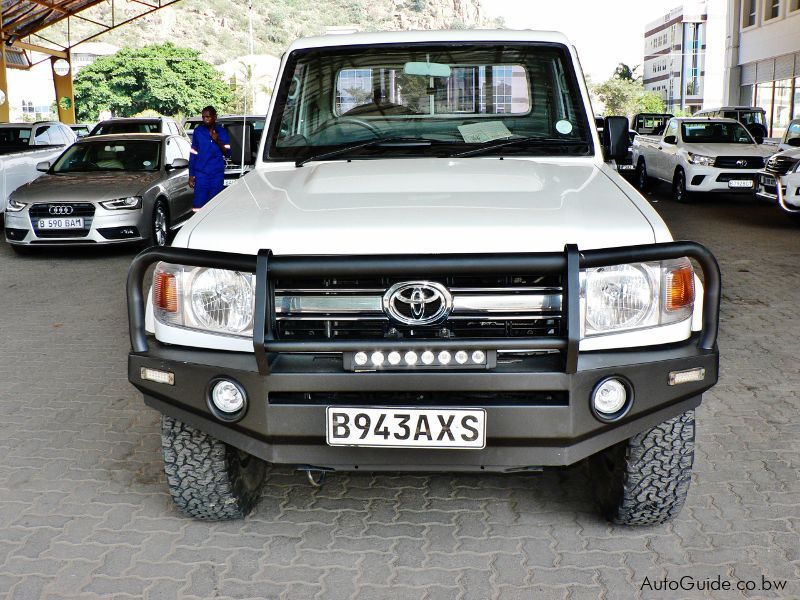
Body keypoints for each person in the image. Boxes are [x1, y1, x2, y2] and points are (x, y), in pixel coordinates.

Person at [189, 106, 231, 210]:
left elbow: (228, 153)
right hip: (201, 174)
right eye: (203, 117)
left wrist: (217, 140)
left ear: (214, 117)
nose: (205, 119)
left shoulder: (222, 132)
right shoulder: (198, 131)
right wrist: (191, 174)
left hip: (216, 175)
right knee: (198, 205)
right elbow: (193, 153)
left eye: (208, 117)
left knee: (215, 205)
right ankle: (198, 226)